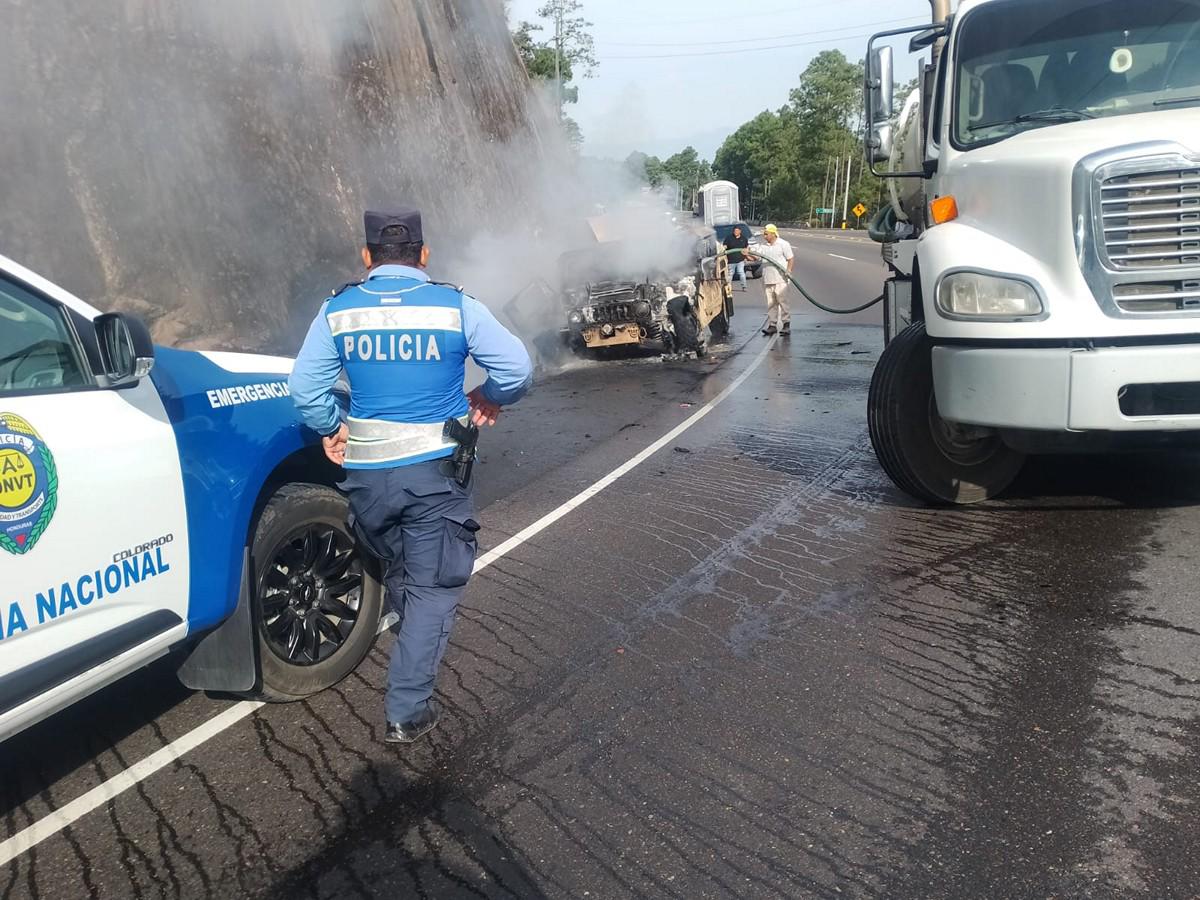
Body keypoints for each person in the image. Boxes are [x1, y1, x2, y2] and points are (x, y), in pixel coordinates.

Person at [289, 207, 532, 745]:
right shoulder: (455, 305)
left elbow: (305, 389)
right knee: (435, 587)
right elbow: (516, 369)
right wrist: (488, 397)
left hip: (366, 481)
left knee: (400, 565)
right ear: (423, 255)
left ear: (366, 257)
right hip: (433, 478)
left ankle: (410, 629)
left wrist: (334, 427)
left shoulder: (338, 310)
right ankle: (408, 708)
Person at [745, 224, 794, 336]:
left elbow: (790, 258)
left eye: (766, 234)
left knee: (783, 301)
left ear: (773, 234)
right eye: (764, 234)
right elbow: (756, 258)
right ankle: (772, 325)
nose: (764, 236)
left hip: (780, 278)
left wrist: (788, 270)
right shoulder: (763, 246)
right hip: (767, 278)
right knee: (771, 303)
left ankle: (786, 324)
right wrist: (746, 255)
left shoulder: (783, 244)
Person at [724, 225, 749, 292]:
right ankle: (728, 287)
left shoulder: (744, 238)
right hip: (731, 260)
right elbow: (725, 245)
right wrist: (724, 248)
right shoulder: (729, 238)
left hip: (740, 260)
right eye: (735, 231)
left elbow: (747, 247)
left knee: (741, 272)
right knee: (730, 274)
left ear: (740, 231)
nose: (736, 232)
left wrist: (746, 255)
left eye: (737, 231)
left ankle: (744, 286)